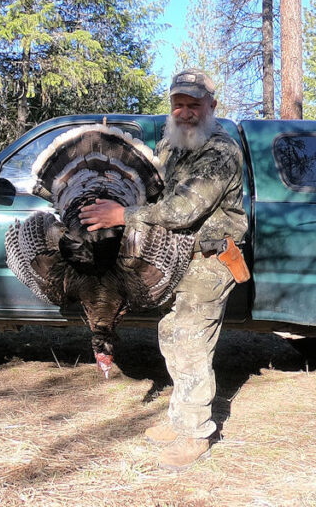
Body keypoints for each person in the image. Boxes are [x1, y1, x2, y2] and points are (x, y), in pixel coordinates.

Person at [79, 68, 248, 470]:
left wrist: (121, 214)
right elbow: (152, 187)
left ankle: (196, 433)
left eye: (194, 105)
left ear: (212, 106)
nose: (186, 112)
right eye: (179, 105)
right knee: (172, 335)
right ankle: (180, 419)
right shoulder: (172, 146)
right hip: (176, 259)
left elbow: (182, 210)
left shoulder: (221, 151)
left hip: (210, 260)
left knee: (190, 341)